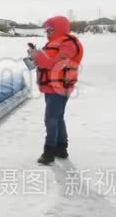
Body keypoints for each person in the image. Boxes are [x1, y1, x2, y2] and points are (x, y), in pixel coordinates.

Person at [28, 16, 84, 165]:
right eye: (46, 30)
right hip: (50, 87)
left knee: (51, 119)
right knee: (58, 118)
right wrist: (35, 57)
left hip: (59, 87)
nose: (47, 32)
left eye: (50, 30)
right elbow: (45, 62)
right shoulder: (52, 43)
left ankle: (49, 152)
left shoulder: (68, 43)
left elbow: (55, 65)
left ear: (59, 29)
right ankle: (61, 149)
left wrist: (38, 56)